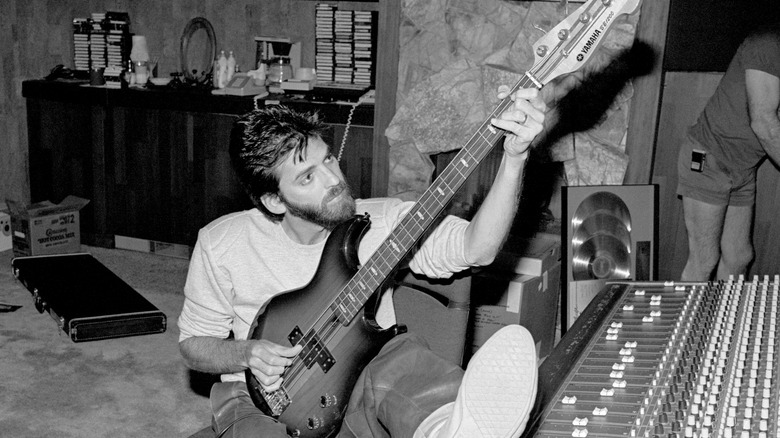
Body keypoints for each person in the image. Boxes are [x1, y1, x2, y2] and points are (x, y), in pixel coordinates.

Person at [177, 85, 547, 438]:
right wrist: (247, 353)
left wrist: (514, 159)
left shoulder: (382, 224)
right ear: (274, 201)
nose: (334, 180)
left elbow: (476, 248)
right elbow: (193, 345)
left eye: (329, 160)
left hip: (361, 387)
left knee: (399, 357)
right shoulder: (221, 242)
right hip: (254, 400)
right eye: (307, 177)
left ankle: (449, 427)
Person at [677, 24, 780, 281]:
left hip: (743, 168)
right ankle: (687, 321)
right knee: (704, 259)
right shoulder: (767, 43)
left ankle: (723, 320)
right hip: (707, 158)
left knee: (738, 257)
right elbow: (764, 123)